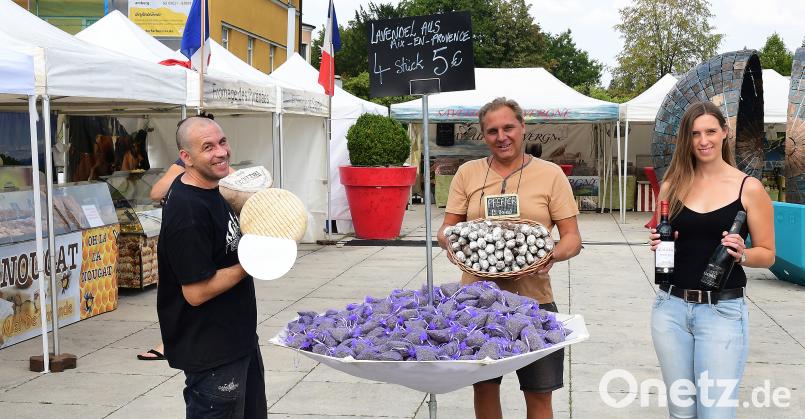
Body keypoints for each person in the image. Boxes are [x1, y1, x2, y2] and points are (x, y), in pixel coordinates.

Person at [437, 97, 582, 419]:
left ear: (522, 127)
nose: (501, 136)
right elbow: (447, 227)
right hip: (478, 301)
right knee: (485, 387)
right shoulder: (467, 173)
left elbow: (572, 238)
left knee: (540, 391)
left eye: (508, 128)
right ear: (483, 135)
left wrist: (551, 255)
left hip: (534, 302)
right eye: (492, 131)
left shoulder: (550, 174)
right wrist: (451, 244)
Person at [648, 101, 774, 418]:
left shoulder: (749, 188)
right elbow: (664, 236)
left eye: (710, 132)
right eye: (695, 133)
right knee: (681, 412)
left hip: (721, 313)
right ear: (686, 139)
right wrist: (659, 242)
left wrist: (742, 254)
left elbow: (768, 255)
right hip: (670, 309)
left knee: (715, 413)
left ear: (724, 134)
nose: (703, 140)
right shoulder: (672, 186)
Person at [157, 116, 266, 418]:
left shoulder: (215, 189)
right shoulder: (187, 212)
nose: (220, 152)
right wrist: (251, 262)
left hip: (238, 341)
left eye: (222, 142)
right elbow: (196, 292)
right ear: (186, 158)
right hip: (212, 354)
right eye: (208, 147)